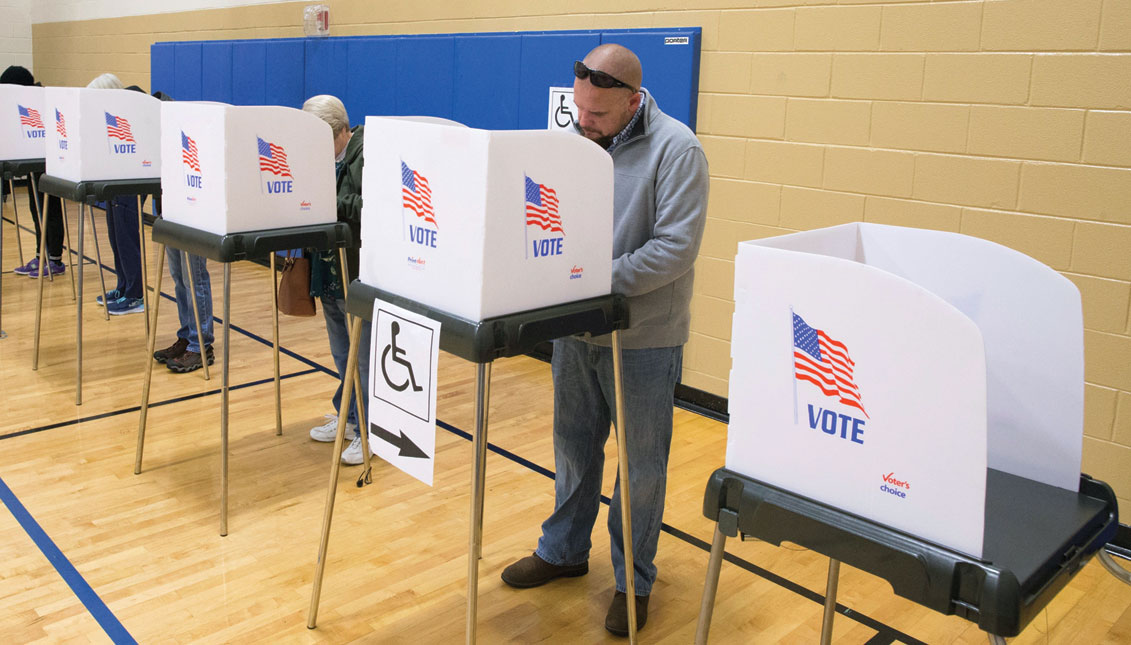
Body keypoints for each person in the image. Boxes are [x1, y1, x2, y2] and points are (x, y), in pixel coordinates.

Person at [500, 44, 709, 637]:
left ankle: (633, 582)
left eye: (596, 114)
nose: (582, 122)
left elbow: (676, 248)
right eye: (578, 109)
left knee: (641, 466)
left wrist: (591, 281)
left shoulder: (678, 149)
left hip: (644, 337)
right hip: (575, 327)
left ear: (633, 101)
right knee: (572, 444)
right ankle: (563, 551)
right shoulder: (578, 144)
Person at [301, 94, 373, 466]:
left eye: (325, 141)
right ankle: (347, 415)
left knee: (362, 356)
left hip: (356, 269)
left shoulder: (367, 154)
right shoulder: (324, 156)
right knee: (342, 353)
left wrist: (333, 198)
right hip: (329, 267)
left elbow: (375, 205)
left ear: (344, 131)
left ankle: (368, 430)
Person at [149, 90, 215, 373]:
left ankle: (201, 345)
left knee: (194, 278)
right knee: (179, 279)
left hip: (193, 217)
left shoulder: (193, 140)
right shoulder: (165, 141)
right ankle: (188, 334)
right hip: (171, 215)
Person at [86, 73, 146, 315]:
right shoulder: (116, 116)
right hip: (116, 182)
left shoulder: (133, 114)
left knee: (127, 239)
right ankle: (123, 286)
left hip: (131, 182)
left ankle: (135, 295)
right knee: (116, 236)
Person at [2, 65, 66, 279]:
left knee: (51, 209)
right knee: (36, 207)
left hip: (49, 163)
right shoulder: (24, 102)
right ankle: (41, 255)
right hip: (33, 163)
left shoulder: (43, 101)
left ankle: (55, 258)